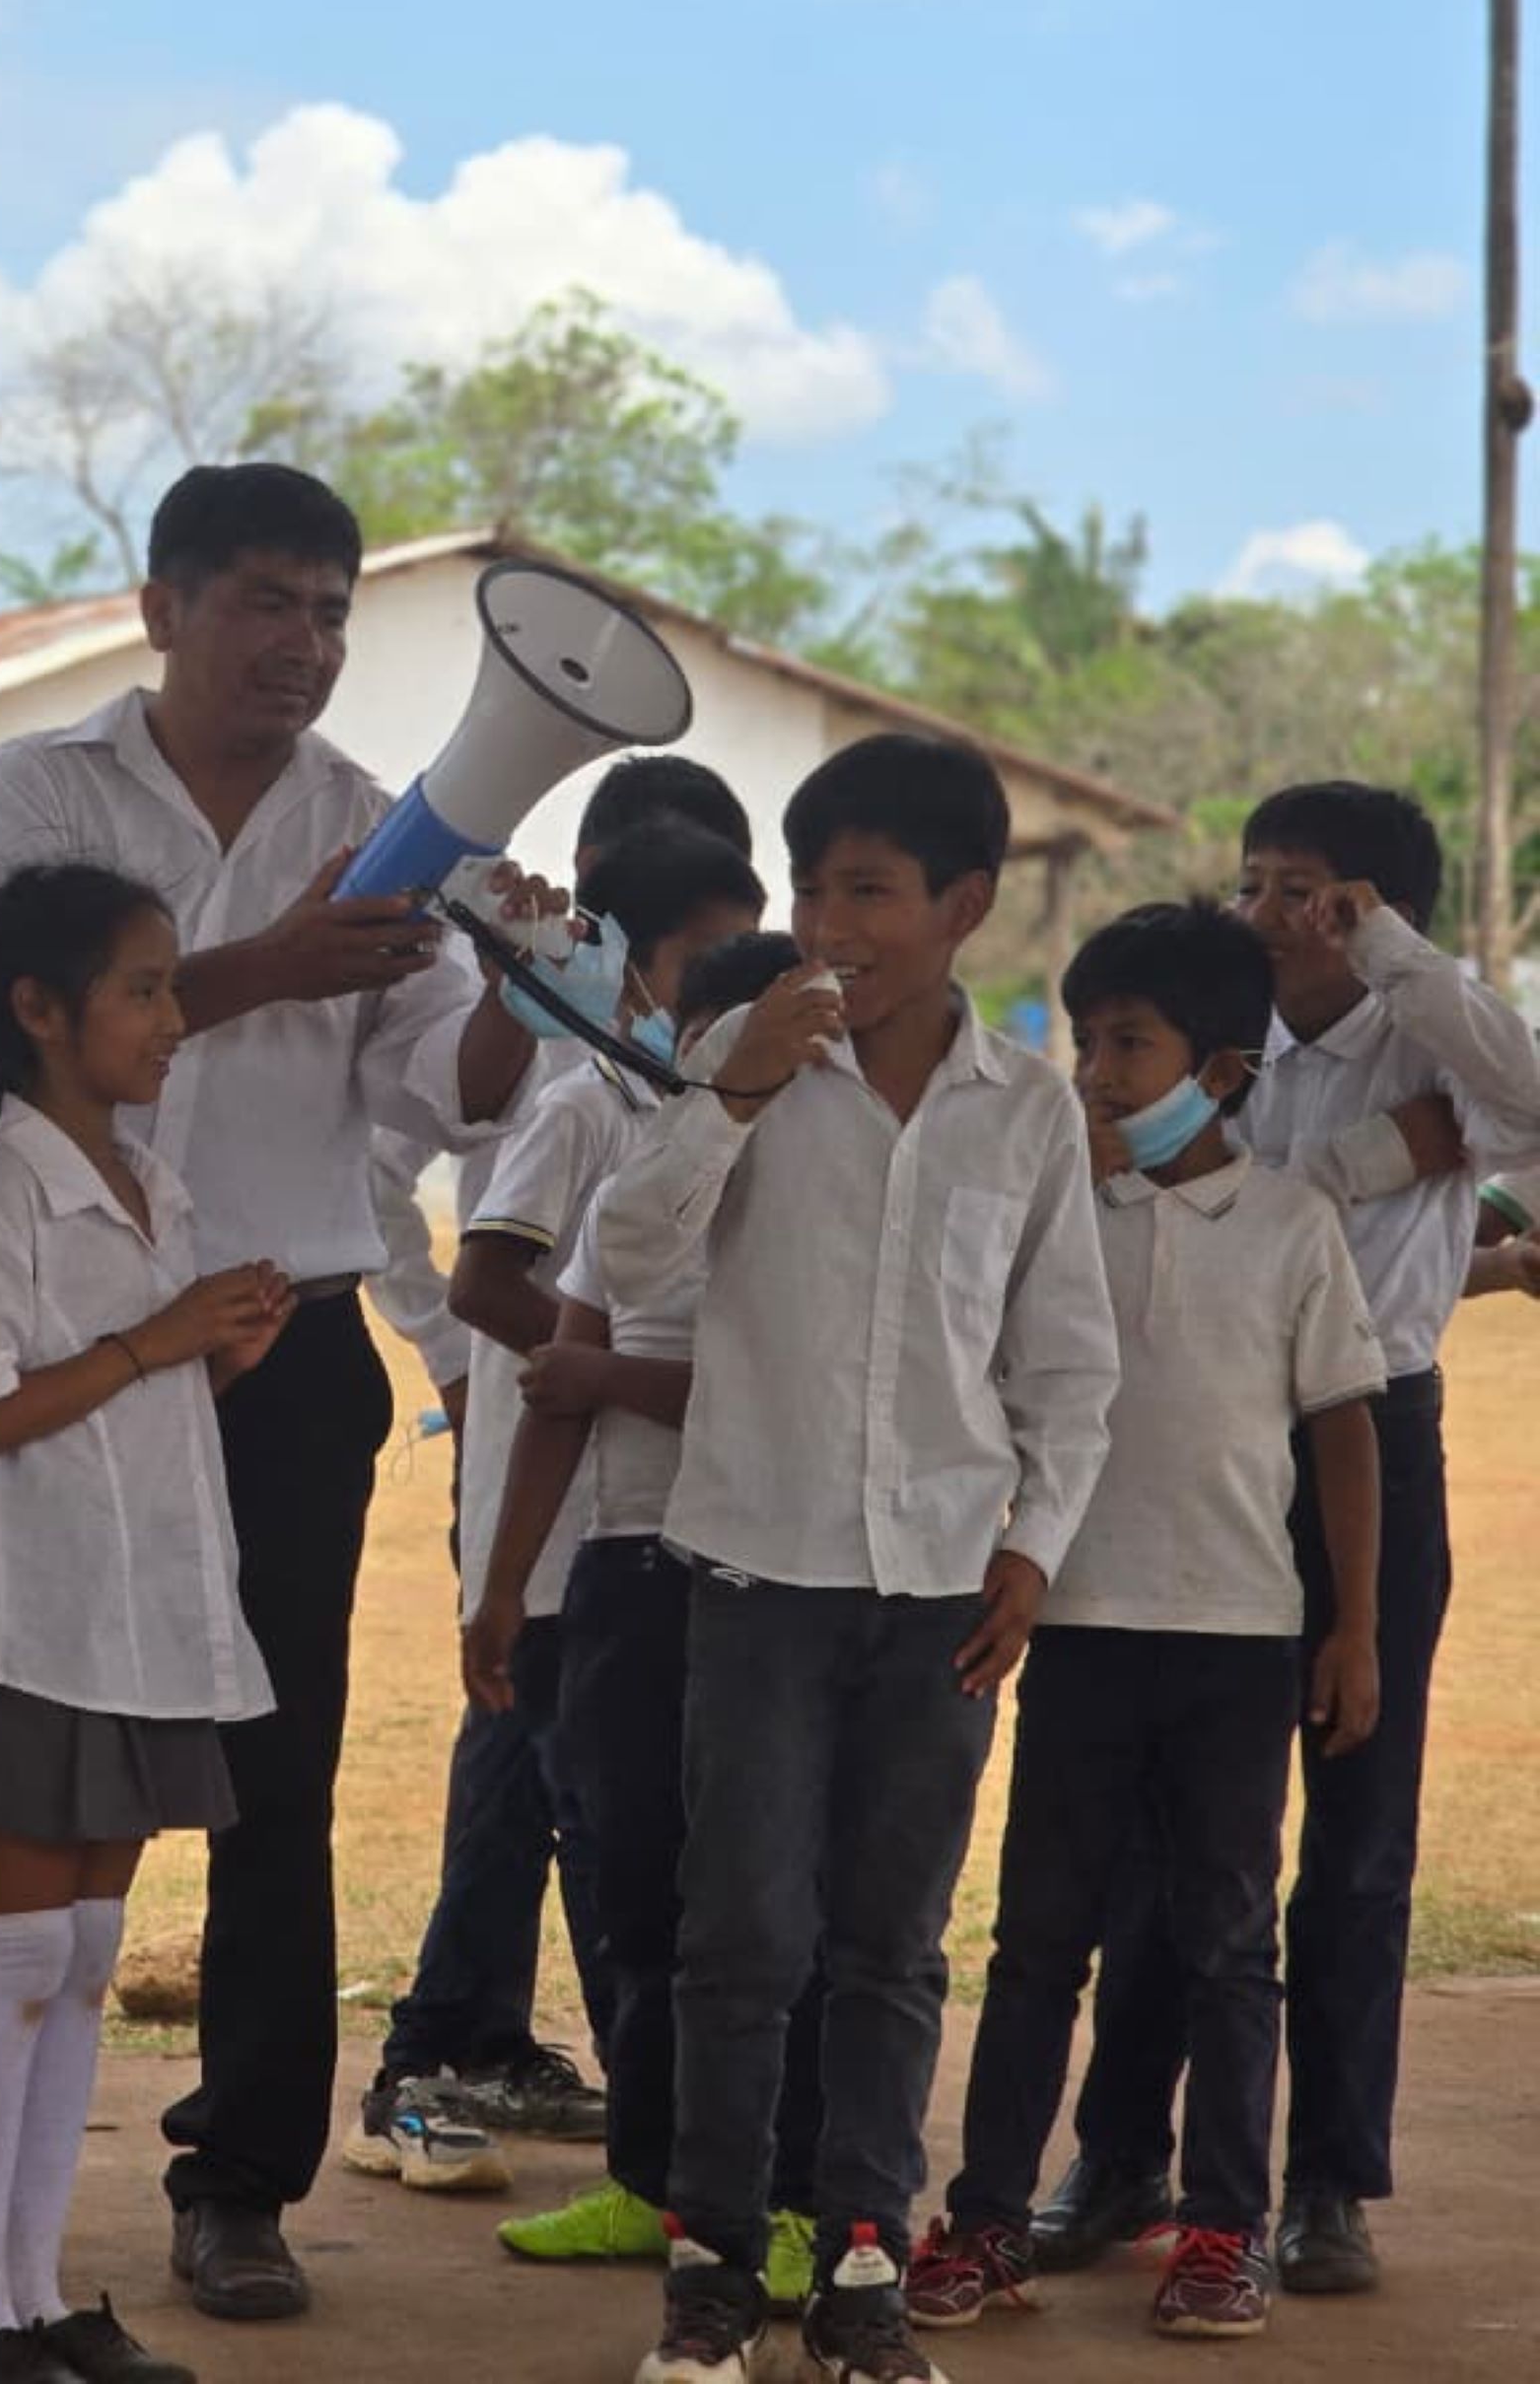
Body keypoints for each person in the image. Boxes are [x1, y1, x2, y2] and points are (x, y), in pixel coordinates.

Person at [0, 466, 551, 2330]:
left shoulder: (388, 826)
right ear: (161, 608)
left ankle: (240, 2184)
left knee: (272, 1774)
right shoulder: (42, 791)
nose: (304, 646)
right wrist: (269, 963)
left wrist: (526, 993)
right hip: (52, 1322)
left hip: (279, 1340)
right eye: (267, 605)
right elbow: (13, 1013)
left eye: (332, 615)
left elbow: (439, 1096)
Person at [595, 731, 1120, 2384]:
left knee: (891, 1946)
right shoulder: (743, 1065)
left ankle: (868, 2269)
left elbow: (1065, 1363)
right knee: (739, 1937)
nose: (832, 923)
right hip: (756, 1571)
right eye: (813, 885)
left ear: (964, 904)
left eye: (872, 892)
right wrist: (733, 1084)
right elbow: (626, 1253)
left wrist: (1031, 1551)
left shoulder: (1025, 1112)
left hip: (942, 1598)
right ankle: (710, 2272)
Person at [1048, 784, 1540, 2297]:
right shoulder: (1213, 1045)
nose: (1261, 912)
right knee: (1160, 1823)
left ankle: (1327, 2182)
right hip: (1197, 1440)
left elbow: (1527, 1103)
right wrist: (1378, 1159)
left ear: (1370, 907)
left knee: (1358, 1830)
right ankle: (1123, 2157)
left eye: (1300, 890)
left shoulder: (1436, 1036)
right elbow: (1148, 1183)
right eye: (1254, 880)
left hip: (1370, 1435)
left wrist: (1397, 979)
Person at [907, 902, 1384, 2346]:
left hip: (1241, 1634)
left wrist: (1352, 1627)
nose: (1099, 1072)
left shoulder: (1295, 1223)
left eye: (1133, 1045)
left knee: (1231, 1940)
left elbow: (1344, 1431)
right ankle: (988, 2217)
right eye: (1089, 1039)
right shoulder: (1062, 1216)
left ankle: (1223, 2231)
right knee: (1040, 1937)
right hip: (1083, 1626)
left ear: (1223, 1070)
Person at [0, 861, 295, 2384]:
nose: (172, 1018)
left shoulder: (151, 1180)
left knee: (80, 1956)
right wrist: (158, 1339)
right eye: (142, 988)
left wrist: (219, 1347)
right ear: (39, 1012)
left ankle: (36, 2286)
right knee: (9, 1961)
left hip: (146, 1618)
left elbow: (151, 1397)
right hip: (34, 1618)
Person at [346, 819, 766, 2195]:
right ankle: (443, 2061)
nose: (734, 993)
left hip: (647, 1519)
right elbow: (484, 1287)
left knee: (588, 1812)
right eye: (708, 958)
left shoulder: (698, 1100)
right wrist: (617, 1374)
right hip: (570, 1515)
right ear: (640, 964)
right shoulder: (586, 1095)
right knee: (561, 1800)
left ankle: (523, 2065)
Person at [463, 928, 822, 2292]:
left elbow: (797, 1402)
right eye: (697, 1028)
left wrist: (605, 1385)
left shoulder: (821, 1192)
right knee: (632, 1888)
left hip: (769, 1572)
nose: (709, 1054)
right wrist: (505, 1586)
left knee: (767, 1902)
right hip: (624, 1568)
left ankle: (788, 2200)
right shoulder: (639, 1178)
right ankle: (650, 2182)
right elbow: (566, 1373)